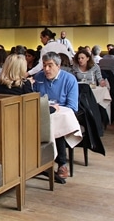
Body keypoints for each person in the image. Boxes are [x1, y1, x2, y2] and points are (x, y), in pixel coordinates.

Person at [32, 52, 78, 183]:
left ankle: (62, 163)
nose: (46, 69)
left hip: (62, 116)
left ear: (58, 66)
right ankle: (37, 162)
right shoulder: (39, 77)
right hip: (43, 113)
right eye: (44, 65)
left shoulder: (69, 79)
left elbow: (72, 106)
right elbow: (34, 98)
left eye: (50, 66)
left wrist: (57, 108)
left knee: (57, 128)